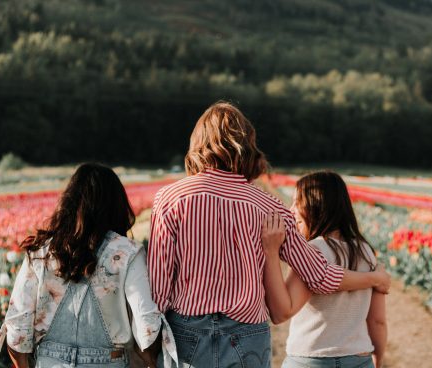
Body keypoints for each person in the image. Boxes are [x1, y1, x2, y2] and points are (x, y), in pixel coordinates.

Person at [148, 102, 390, 368]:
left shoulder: (170, 199)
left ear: (198, 144)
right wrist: (373, 278)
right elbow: (319, 276)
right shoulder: (269, 207)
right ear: (247, 144)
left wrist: (150, 343)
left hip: (187, 331)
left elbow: (159, 285)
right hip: (247, 332)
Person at [0, 163, 177, 368]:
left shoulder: (41, 252)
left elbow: (17, 328)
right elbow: (147, 325)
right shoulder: (127, 252)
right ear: (116, 204)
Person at [262, 171, 387, 368]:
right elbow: (377, 320)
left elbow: (281, 312)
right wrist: (378, 359)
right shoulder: (366, 252)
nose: (291, 210)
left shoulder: (312, 251)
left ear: (316, 205)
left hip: (311, 359)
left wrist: (270, 251)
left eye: (297, 202)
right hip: (359, 359)